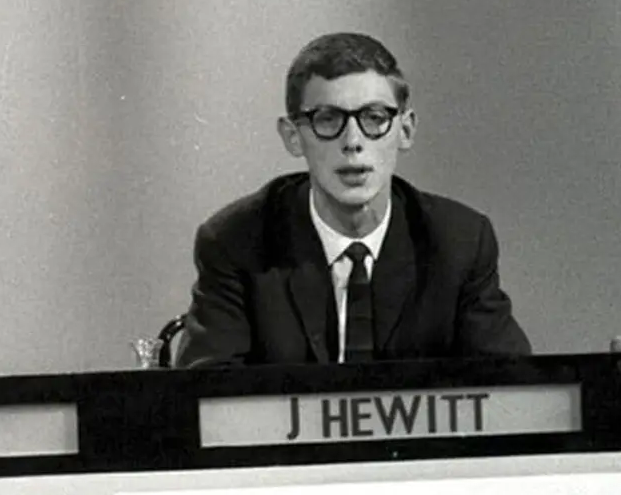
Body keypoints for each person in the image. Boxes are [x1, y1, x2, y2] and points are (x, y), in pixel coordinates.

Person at [175, 33, 531, 366]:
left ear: (405, 131)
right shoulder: (235, 242)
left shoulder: (460, 243)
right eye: (327, 119)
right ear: (293, 137)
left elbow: (511, 392)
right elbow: (207, 406)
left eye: (374, 118)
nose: (353, 142)